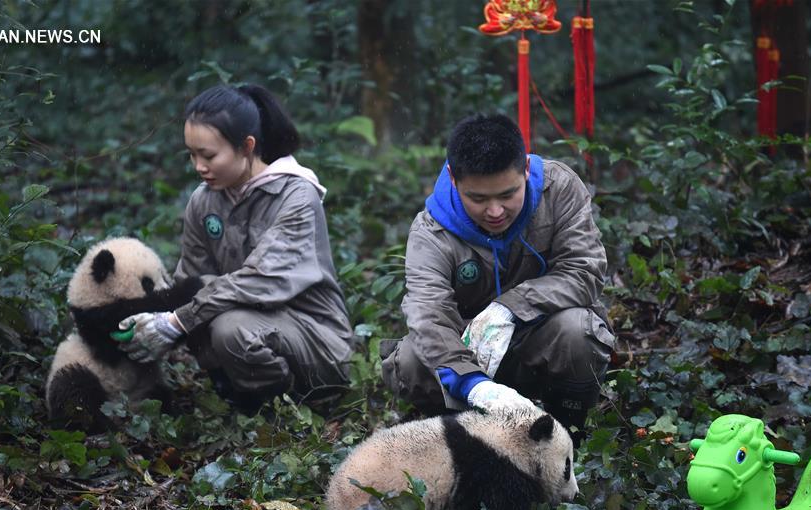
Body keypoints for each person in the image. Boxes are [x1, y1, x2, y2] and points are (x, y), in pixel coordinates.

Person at [120, 84, 353, 409]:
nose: (198, 166)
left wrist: (177, 321)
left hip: (317, 343)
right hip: (248, 324)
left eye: (209, 155)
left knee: (228, 328)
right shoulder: (204, 201)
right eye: (192, 154)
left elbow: (260, 279)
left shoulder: (297, 196)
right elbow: (191, 281)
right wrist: (146, 319)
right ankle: (236, 389)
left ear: (247, 146)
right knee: (197, 301)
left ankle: (284, 406)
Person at [382, 113, 614, 437]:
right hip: (468, 350)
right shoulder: (430, 232)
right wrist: (473, 384)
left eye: (507, 195)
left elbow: (583, 271)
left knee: (578, 330)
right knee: (409, 359)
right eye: (477, 198)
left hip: (538, 338)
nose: (495, 211)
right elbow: (428, 315)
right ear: (453, 178)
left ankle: (568, 431)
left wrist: (510, 307)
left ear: (527, 170)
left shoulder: (558, 189)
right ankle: (457, 432)